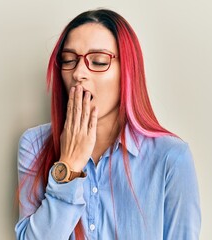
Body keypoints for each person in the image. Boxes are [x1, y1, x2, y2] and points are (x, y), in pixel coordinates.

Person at [15, 9, 201, 240]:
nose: (78, 73)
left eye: (99, 61)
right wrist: (69, 166)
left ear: (128, 72)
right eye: (69, 60)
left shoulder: (171, 157)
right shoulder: (34, 144)